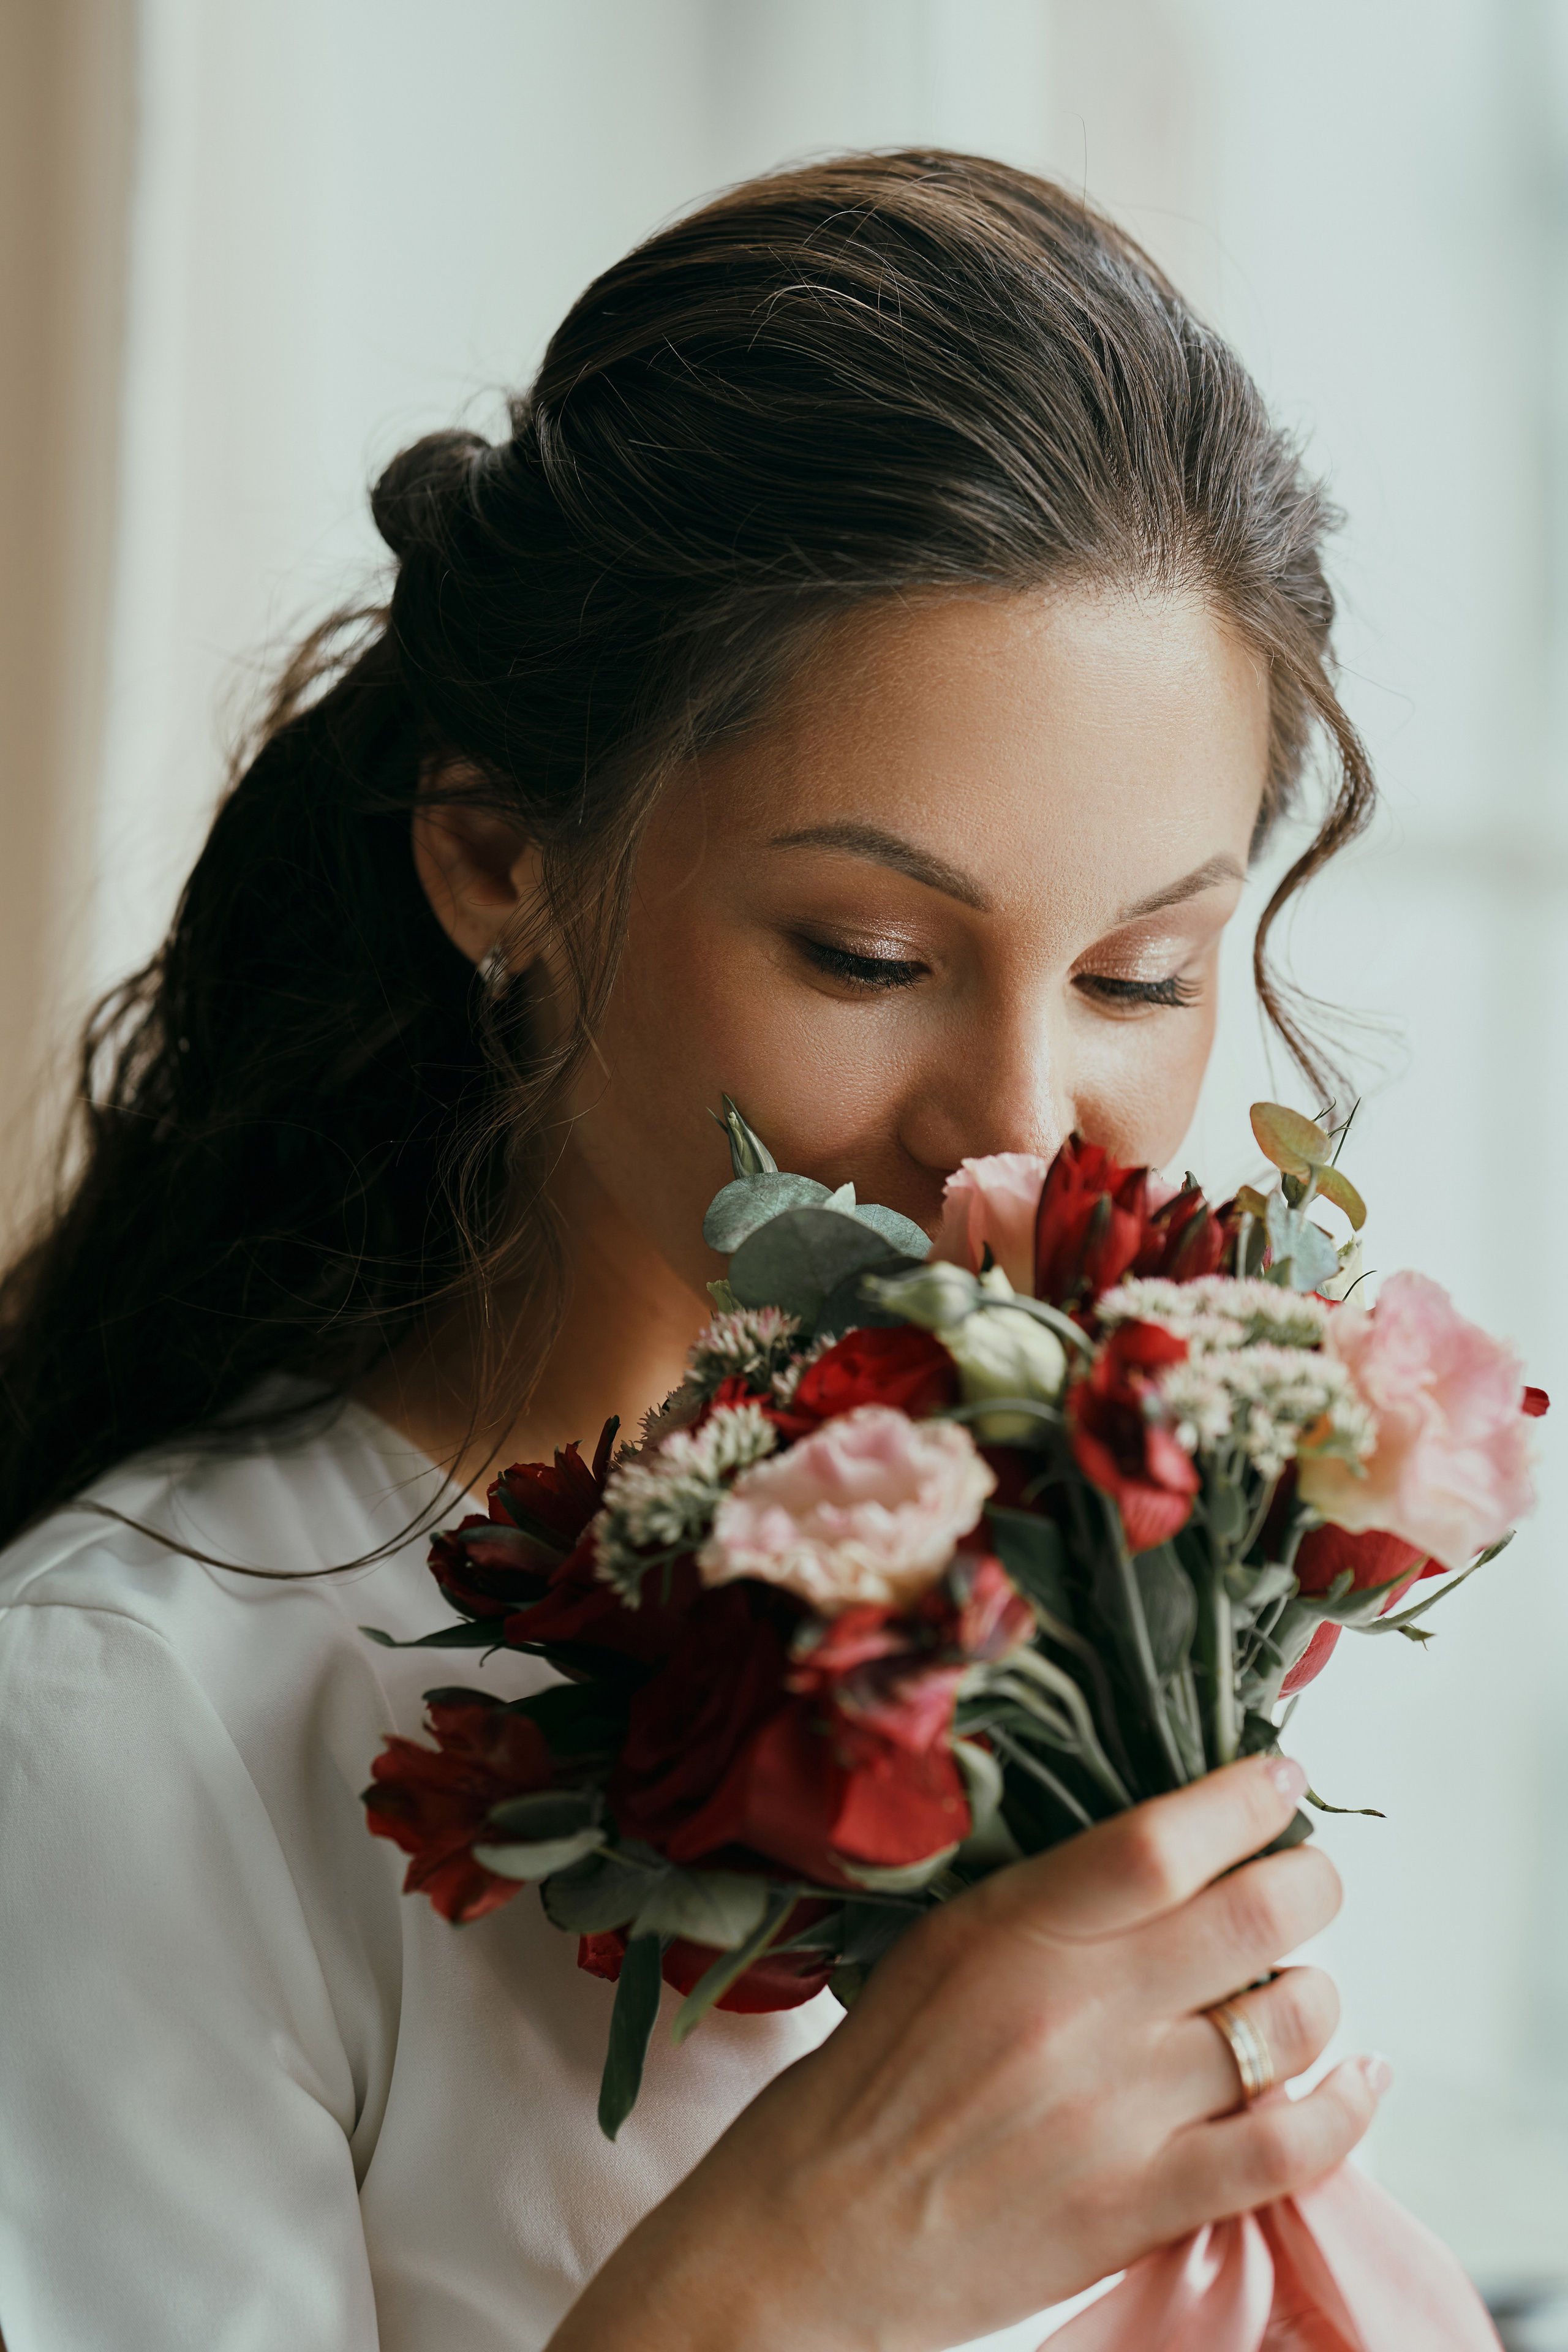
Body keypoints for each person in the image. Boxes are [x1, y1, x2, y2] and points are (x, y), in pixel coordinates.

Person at [0, 152, 1391, 2352]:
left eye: (1142, 976)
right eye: (865, 952)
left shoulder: (1099, 1584)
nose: (1016, 1127)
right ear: (496, 864)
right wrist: (781, 2285)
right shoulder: (121, 1724)